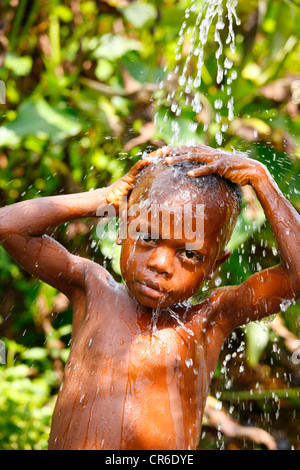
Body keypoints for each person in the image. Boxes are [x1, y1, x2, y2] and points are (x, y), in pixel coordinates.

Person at [0, 144, 299, 450]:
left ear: (214, 266)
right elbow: (8, 226)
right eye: (147, 237)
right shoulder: (91, 289)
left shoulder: (209, 320)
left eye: (191, 254)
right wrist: (104, 198)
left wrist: (262, 179)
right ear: (123, 228)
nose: (160, 264)